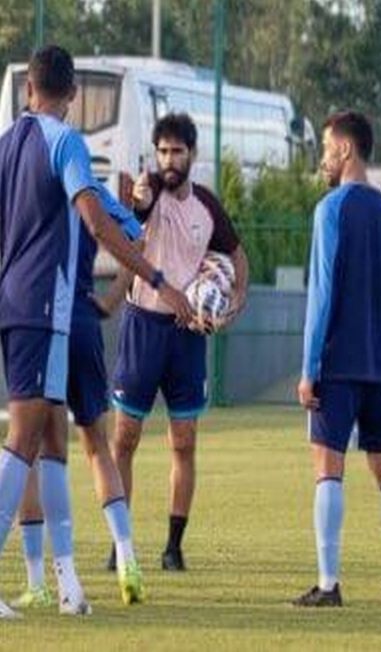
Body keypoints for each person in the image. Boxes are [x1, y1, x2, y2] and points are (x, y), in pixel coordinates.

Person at [0, 46, 192, 620]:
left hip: (18, 307)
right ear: (73, 96)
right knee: (25, 437)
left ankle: (68, 587)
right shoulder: (66, 143)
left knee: (56, 447)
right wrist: (158, 278)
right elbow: (95, 220)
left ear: (28, 89)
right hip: (45, 305)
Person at [107, 113, 249, 572]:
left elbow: (237, 256)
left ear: (193, 154)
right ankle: (120, 543)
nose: (169, 160)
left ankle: (173, 546)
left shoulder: (207, 206)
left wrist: (236, 302)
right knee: (124, 439)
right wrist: (138, 201)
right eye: (163, 151)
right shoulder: (148, 193)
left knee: (183, 443)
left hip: (186, 338)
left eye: (178, 151)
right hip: (142, 327)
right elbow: (138, 210)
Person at [4, 176, 151, 609]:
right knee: (97, 448)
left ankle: (39, 581)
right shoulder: (93, 190)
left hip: (41, 317)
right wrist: (111, 298)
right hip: (84, 317)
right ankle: (127, 558)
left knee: (32, 450)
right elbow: (138, 239)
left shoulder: (23, 187)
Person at [293, 111, 381, 607]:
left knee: (327, 469)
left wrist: (308, 369)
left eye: (325, 146)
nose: (323, 157)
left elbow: (321, 296)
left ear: (345, 150)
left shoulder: (330, 210)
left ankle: (328, 584)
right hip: (378, 369)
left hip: (337, 368)